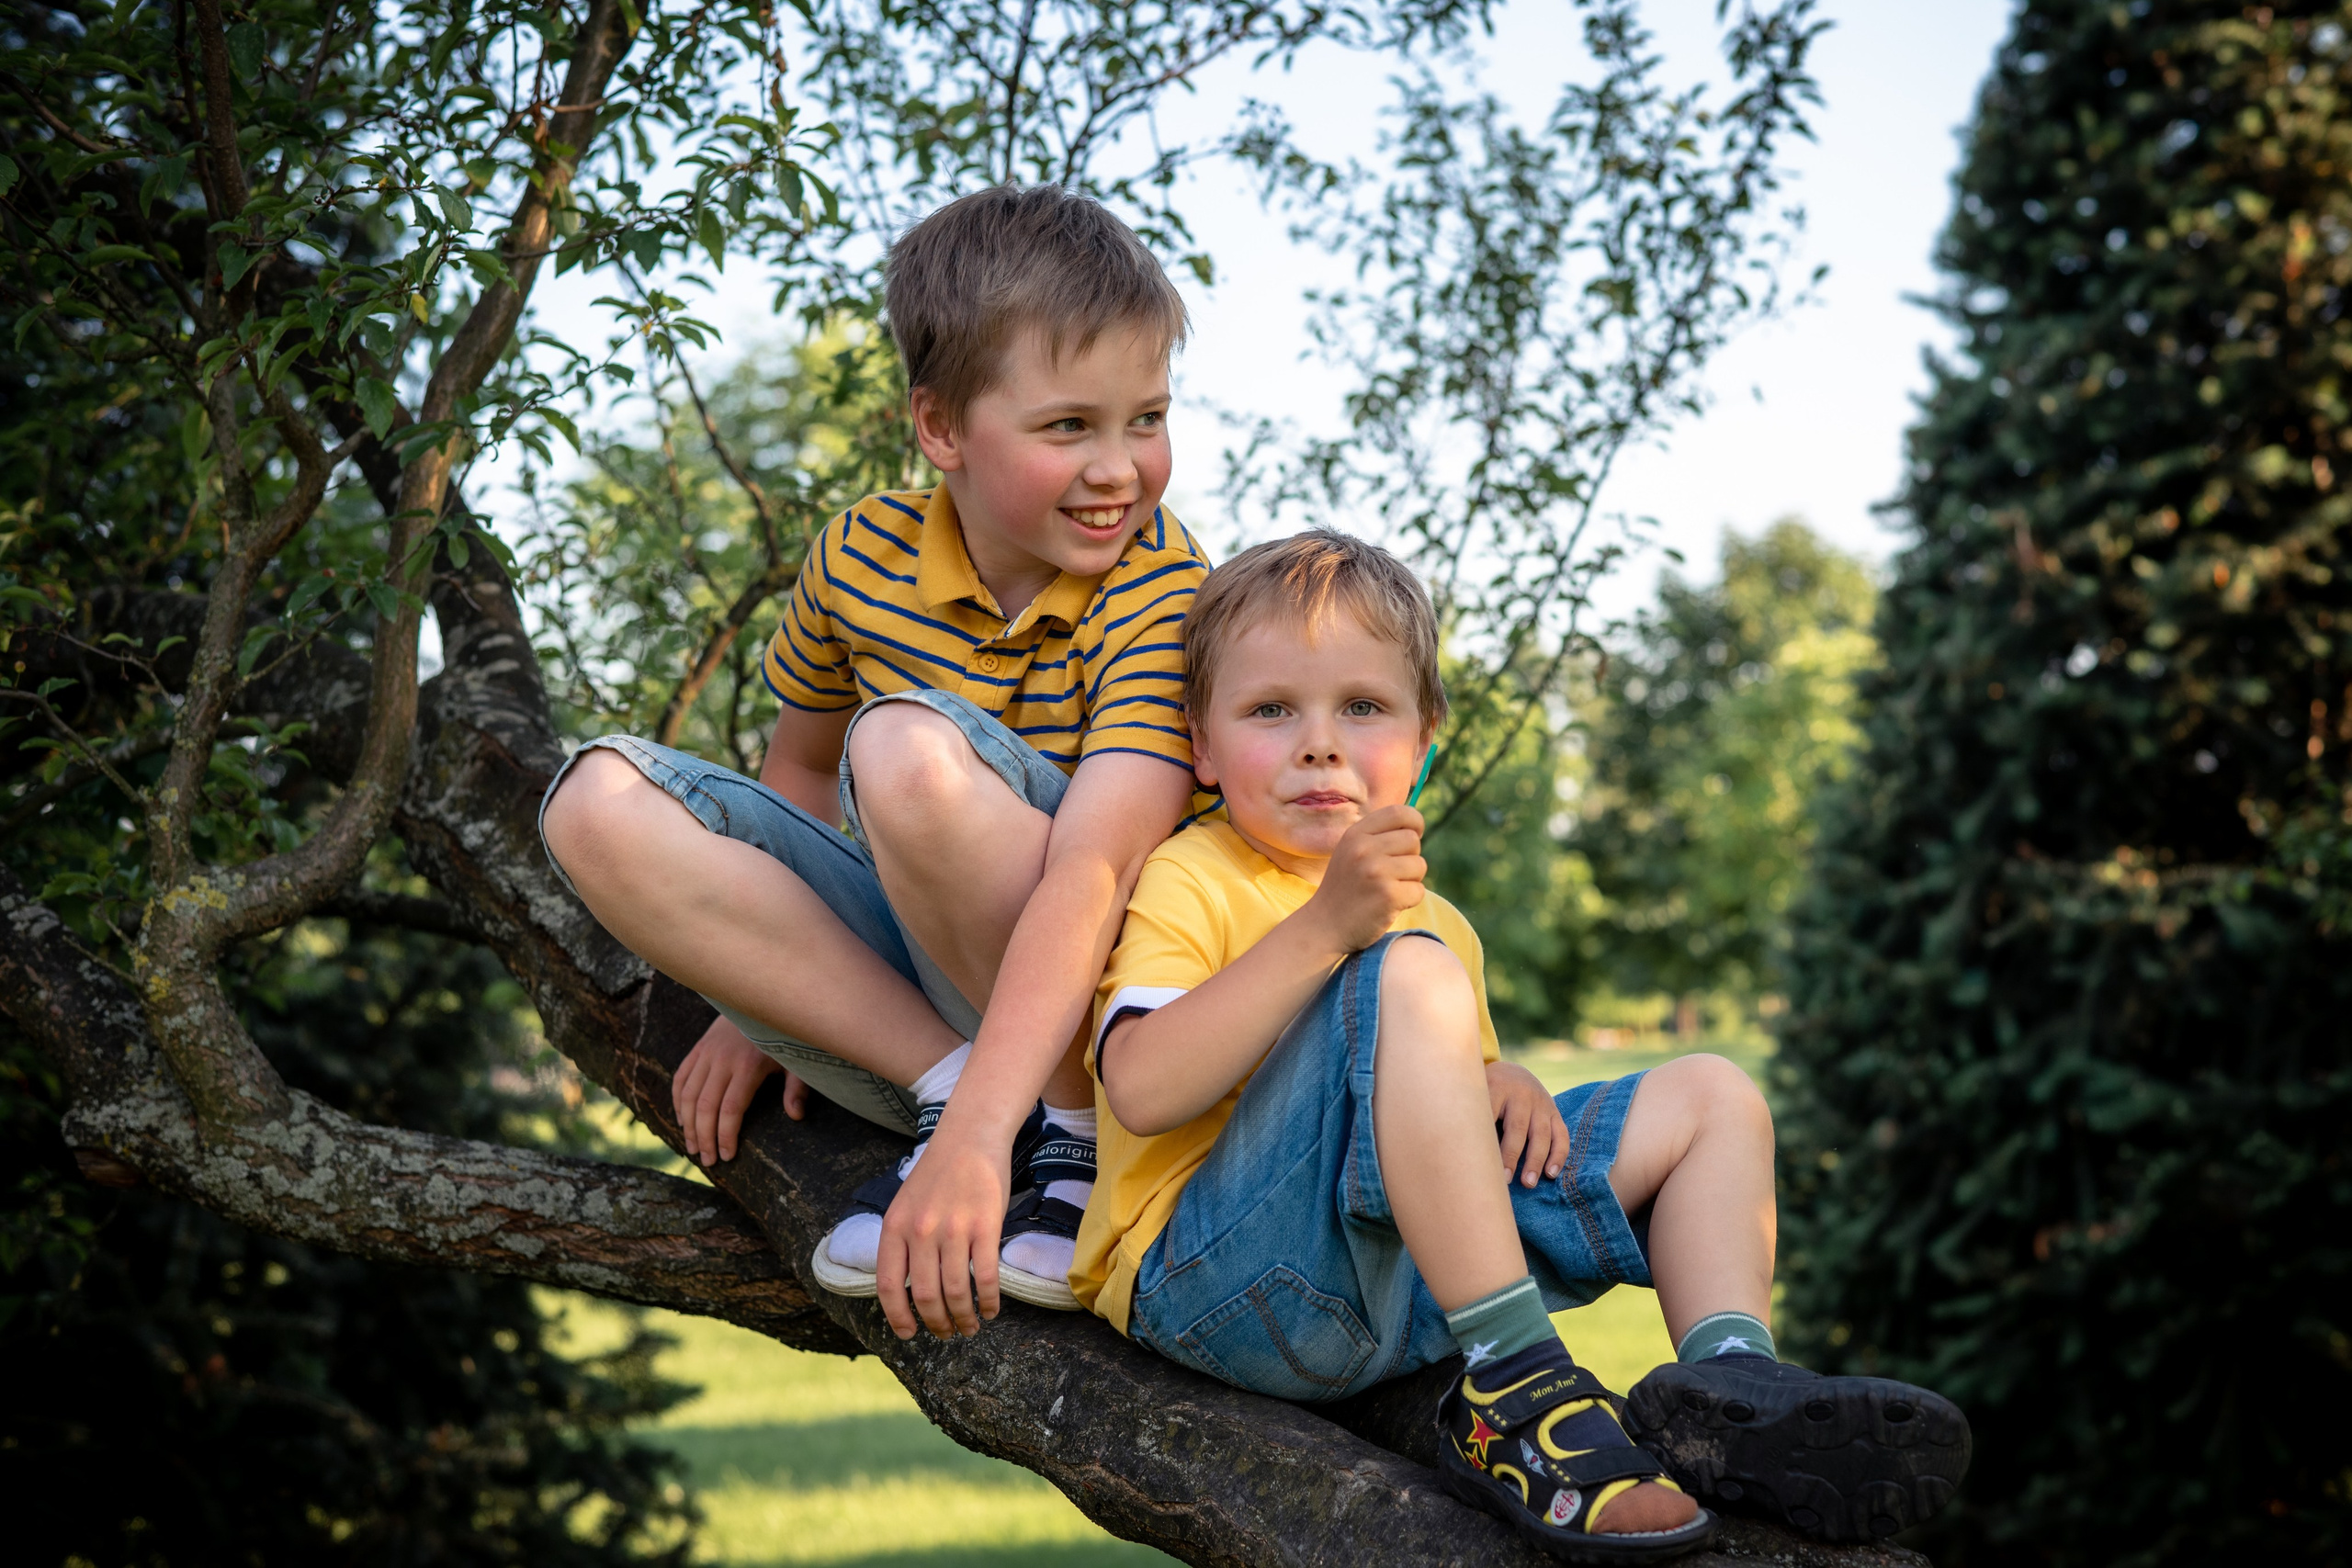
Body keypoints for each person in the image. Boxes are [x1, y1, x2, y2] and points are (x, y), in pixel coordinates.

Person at [1074, 531, 1970, 1560]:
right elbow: (1140, 1088)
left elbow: (1429, 1109)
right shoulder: (1191, 874)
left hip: (1399, 1289)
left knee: (1714, 1094)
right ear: (1199, 744)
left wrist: (1503, 1080)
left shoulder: (1436, 922)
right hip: (1216, 1285)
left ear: (1424, 745)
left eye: (1361, 708)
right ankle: (1516, 1383)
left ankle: (1730, 1383)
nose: (1319, 743)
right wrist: (1325, 929)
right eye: (1271, 710)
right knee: (1404, 970)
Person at [540, 184, 1215, 1342]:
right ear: (940, 427)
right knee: (591, 803)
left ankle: (1061, 1135)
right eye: (1069, 428)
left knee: (906, 748)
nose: (1120, 469)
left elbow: (1099, 874)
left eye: (1144, 419)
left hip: (1102, 1013)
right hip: (932, 997)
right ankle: (955, 1091)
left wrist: (968, 1146)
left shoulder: (1164, 585)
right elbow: (792, 780)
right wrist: (762, 1005)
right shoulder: (858, 556)